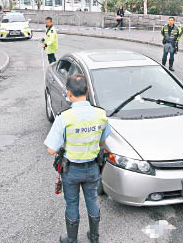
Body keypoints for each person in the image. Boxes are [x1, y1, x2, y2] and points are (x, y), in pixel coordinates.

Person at [44, 73, 111, 243]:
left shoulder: (64, 117)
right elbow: (102, 141)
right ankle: (94, 237)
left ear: (69, 93)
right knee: (92, 201)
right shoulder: (101, 114)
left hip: (71, 171)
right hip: (93, 169)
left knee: (72, 204)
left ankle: (72, 239)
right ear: (87, 90)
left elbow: (51, 150)